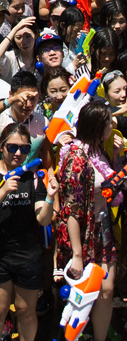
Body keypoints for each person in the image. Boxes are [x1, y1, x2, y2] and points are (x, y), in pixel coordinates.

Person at [0, 123, 58, 341]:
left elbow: (43, 218)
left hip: (29, 255)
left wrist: (49, 197)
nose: (18, 153)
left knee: (25, 311)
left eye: (24, 149)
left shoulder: (33, 177)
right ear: (1, 147)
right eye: (12, 147)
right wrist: (3, 190)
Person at [55, 99, 117, 341]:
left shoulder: (99, 150)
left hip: (103, 229)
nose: (112, 126)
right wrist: (77, 254)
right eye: (107, 123)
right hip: (82, 233)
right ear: (95, 126)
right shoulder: (76, 157)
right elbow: (71, 209)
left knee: (107, 290)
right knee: (82, 296)